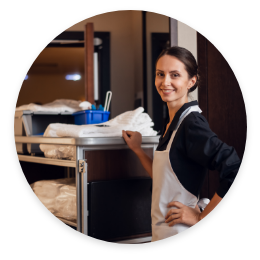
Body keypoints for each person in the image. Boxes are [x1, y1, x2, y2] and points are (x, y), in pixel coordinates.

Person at [122, 46, 241, 242]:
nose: (165, 82)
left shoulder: (191, 124)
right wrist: (138, 150)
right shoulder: (172, 121)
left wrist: (202, 217)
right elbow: (163, 180)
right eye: (160, 74)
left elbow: (235, 169)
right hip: (163, 232)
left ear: (191, 82)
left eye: (175, 75)